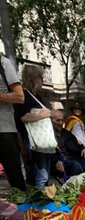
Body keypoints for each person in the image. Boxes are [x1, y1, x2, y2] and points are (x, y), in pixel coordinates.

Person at [14, 64, 54, 188]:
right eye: (41, 78)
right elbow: (22, 117)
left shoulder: (36, 97)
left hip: (41, 141)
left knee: (37, 175)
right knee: (41, 175)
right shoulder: (24, 96)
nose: (43, 81)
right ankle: (39, 203)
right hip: (33, 141)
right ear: (34, 79)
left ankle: (34, 203)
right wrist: (42, 115)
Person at [0, 53, 26, 191]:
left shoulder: (3, 63)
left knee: (16, 182)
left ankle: (25, 211)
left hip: (4, 130)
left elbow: (20, 96)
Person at [50, 109, 85, 181]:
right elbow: (48, 154)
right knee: (75, 165)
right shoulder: (48, 135)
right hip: (61, 162)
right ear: (51, 121)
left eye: (62, 120)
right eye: (58, 120)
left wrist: (84, 149)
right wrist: (56, 161)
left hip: (73, 158)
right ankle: (81, 185)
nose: (60, 123)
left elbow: (77, 146)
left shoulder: (66, 133)